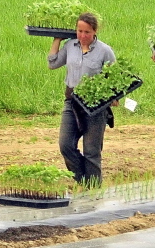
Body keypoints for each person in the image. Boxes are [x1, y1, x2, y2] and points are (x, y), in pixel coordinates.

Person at [47, 12, 116, 187]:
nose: (83, 36)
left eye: (87, 32)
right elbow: (53, 63)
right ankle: (84, 181)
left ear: (94, 32)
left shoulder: (104, 51)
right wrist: (57, 40)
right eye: (79, 31)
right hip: (72, 102)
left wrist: (113, 96)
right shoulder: (71, 46)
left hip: (95, 106)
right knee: (65, 145)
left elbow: (115, 78)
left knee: (92, 151)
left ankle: (93, 189)